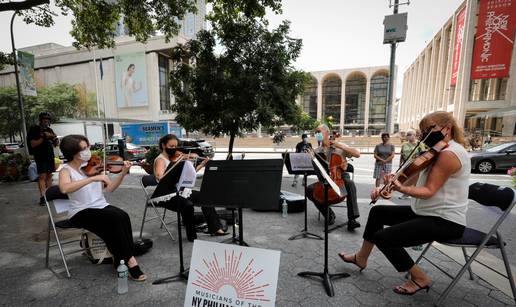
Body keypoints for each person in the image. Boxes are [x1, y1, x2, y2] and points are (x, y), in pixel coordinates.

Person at [338, 111, 470, 295]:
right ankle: (361, 257)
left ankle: (420, 278)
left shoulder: (450, 154)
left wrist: (401, 189)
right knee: (378, 213)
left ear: (447, 128)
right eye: (422, 131)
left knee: (384, 237)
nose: (424, 135)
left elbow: (428, 191)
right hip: (427, 212)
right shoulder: (436, 151)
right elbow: (413, 179)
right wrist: (389, 186)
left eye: (429, 130)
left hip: (445, 220)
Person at [57, 135, 146, 281]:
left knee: (123, 216)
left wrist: (123, 173)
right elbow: (64, 189)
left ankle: (120, 259)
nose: (88, 151)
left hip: (100, 206)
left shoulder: (93, 166)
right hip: (80, 211)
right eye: (84, 148)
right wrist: (92, 178)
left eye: (88, 147)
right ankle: (130, 261)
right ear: (73, 153)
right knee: (113, 219)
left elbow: (110, 188)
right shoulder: (66, 171)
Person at [153, 134, 228, 241]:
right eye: (171, 146)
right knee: (187, 205)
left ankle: (215, 228)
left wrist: (201, 165)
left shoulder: (176, 157)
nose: (175, 149)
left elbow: (186, 177)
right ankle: (192, 236)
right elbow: (160, 178)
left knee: (204, 197)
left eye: (176, 146)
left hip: (180, 191)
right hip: (165, 194)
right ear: (163, 145)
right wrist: (175, 164)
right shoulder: (161, 160)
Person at [307, 124, 361, 231]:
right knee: (309, 190)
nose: (317, 134)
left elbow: (357, 154)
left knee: (350, 183)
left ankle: (352, 219)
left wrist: (338, 145)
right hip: (325, 178)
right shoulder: (317, 151)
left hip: (341, 177)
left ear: (327, 133)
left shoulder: (339, 146)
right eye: (316, 133)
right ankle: (328, 214)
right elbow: (317, 169)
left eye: (319, 132)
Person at [28, 112, 59, 205]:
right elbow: (33, 144)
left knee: (49, 176)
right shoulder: (35, 129)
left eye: (48, 119)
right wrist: (43, 136)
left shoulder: (50, 129)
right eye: (44, 119)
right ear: (40, 120)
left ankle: (49, 195)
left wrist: (55, 140)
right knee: (42, 176)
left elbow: (56, 144)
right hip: (40, 156)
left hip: (49, 155)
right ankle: (43, 197)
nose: (46, 121)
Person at [398, 129, 424, 200]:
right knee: (406, 179)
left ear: (414, 135)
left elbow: (424, 154)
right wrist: (400, 164)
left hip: (416, 164)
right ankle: (407, 193)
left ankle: (411, 193)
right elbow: (402, 155)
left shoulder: (419, 144)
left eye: (410, 134)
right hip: (406, 164)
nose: (408, 136)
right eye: (407, 134)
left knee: (415, 180)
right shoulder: (404, 144)